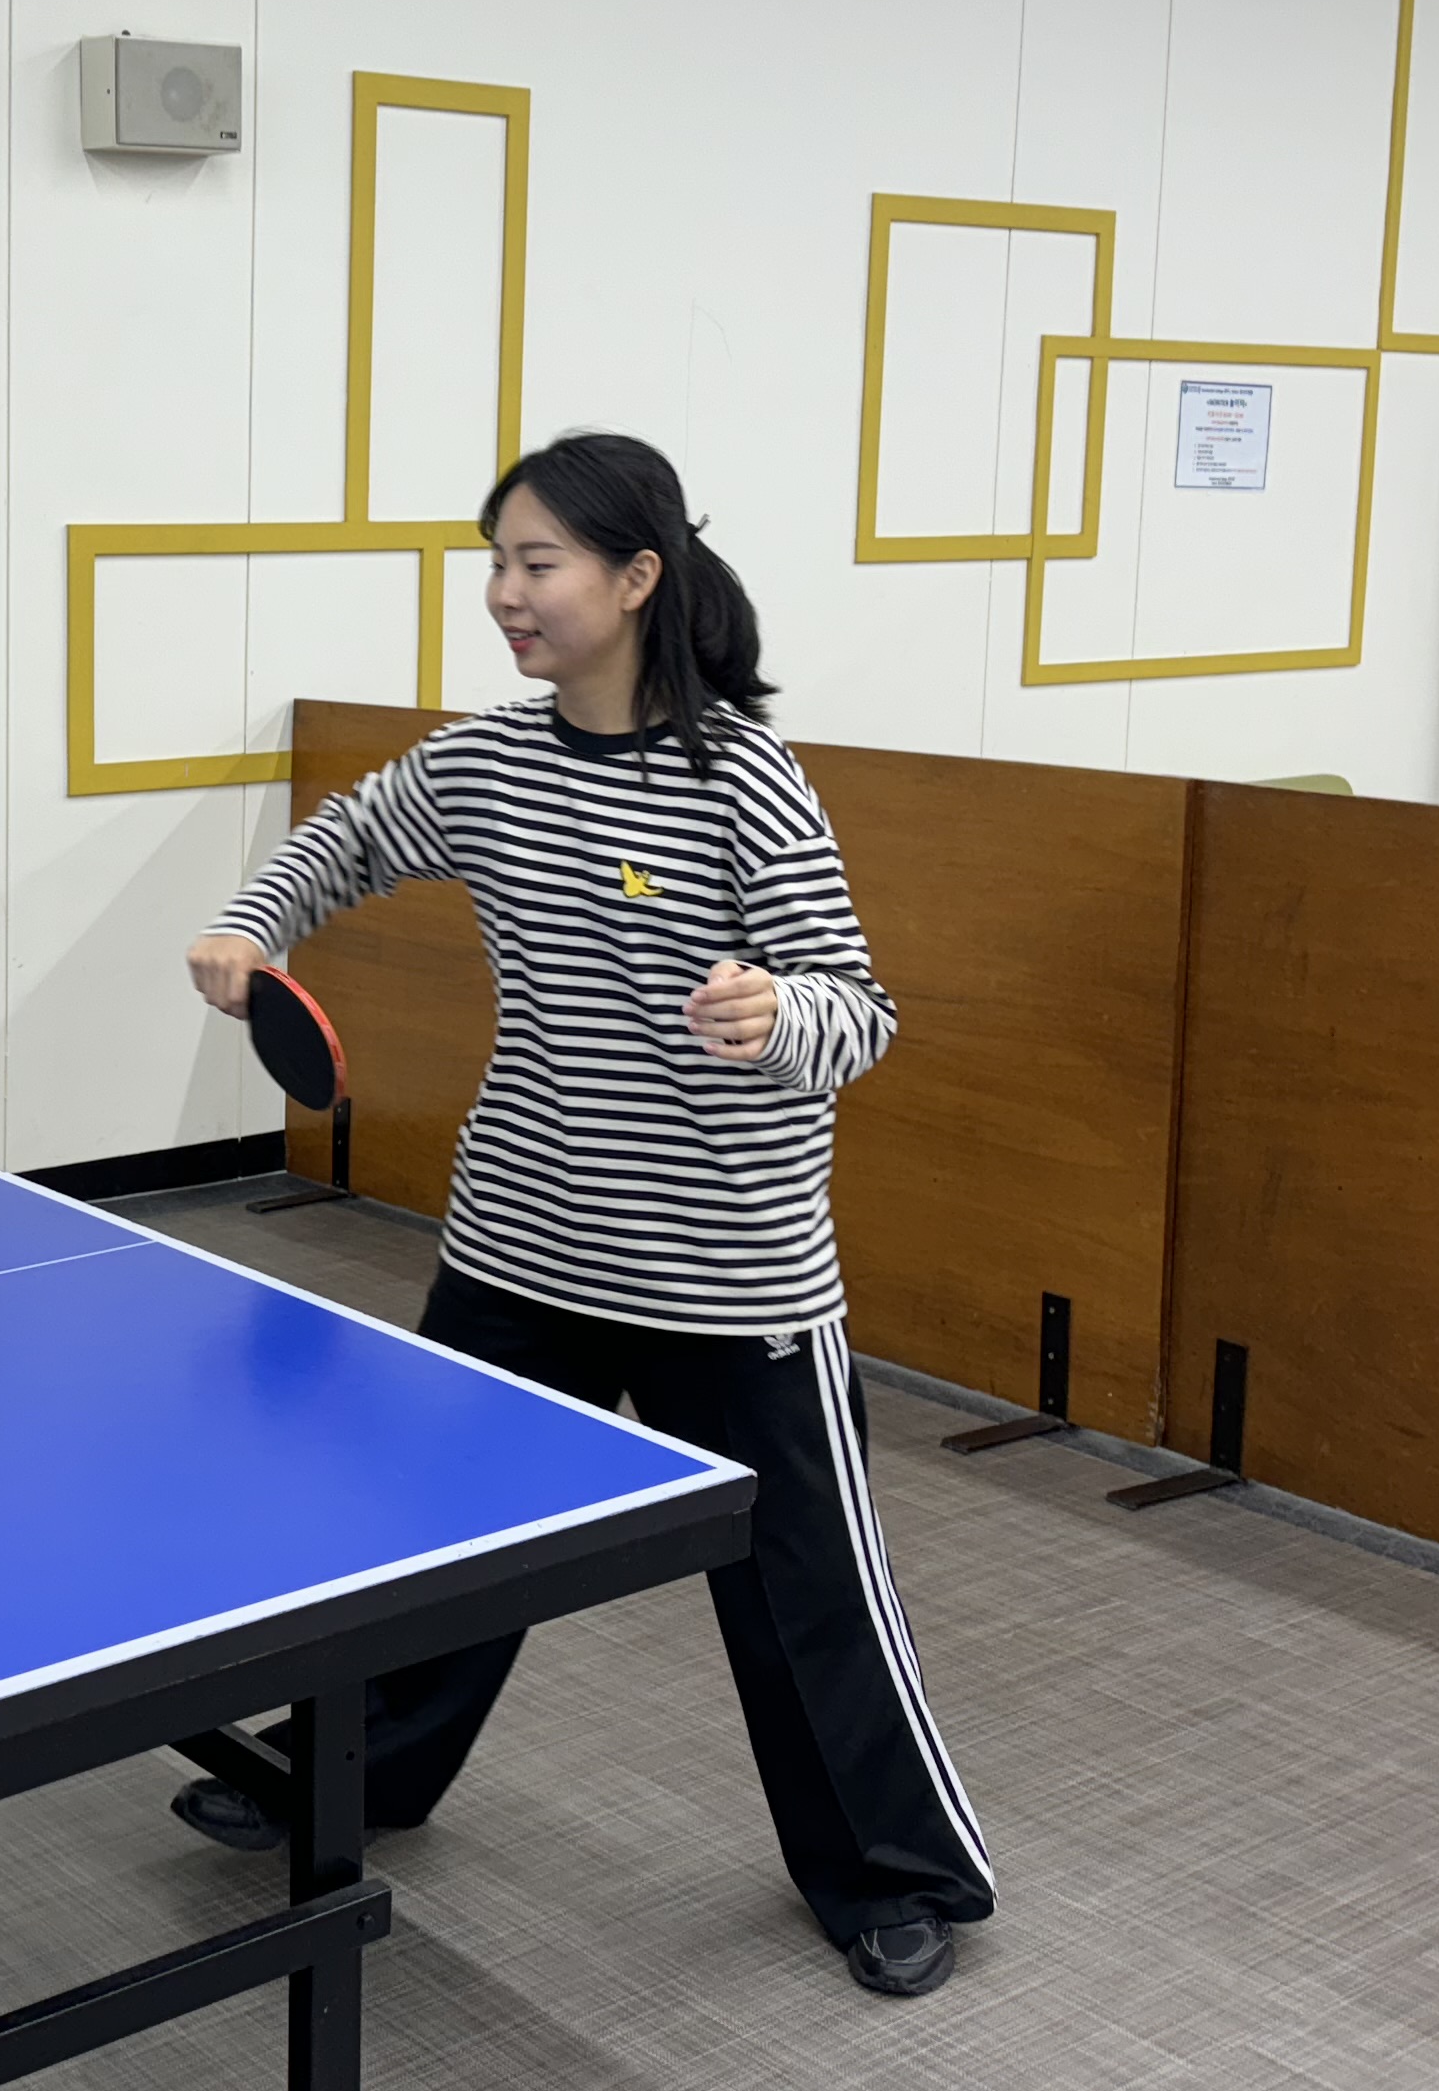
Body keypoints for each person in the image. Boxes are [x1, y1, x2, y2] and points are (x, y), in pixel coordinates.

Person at [179, 429, 996, 1996]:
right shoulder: (485, 765)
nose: (506, 592)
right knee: (441, 1543)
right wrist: (250, 923)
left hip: (725, 1275)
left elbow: (859, 1013)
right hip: (525, 1244)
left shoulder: (742, 779)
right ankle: (355, 1780)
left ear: (635, 579)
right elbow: (348, 838)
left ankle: (895, 1871)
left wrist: (776, 1014)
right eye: (496, 562)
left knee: (806, 1594)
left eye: (536, 562)